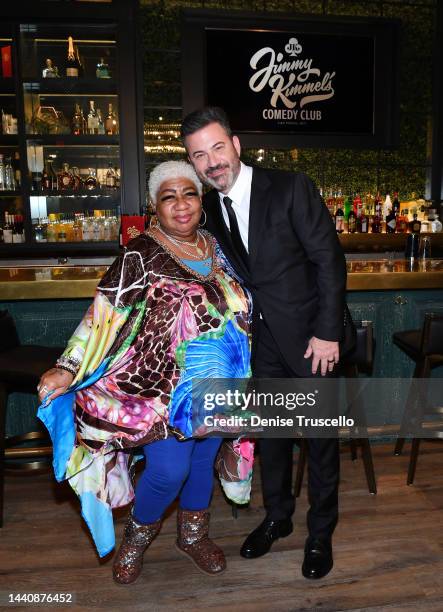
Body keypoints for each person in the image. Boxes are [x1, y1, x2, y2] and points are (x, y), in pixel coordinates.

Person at [37, 160, 254, 584]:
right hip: (157, 390)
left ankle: (193, 537)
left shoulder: (218, 246)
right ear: (156, 207)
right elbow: (104, 314)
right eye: (168, 197)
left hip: (216, 381)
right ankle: (136, 540)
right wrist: (68, 367)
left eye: (188, 193)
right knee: (170, 469)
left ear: (200, 199)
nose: (181, 205)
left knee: (202, 460)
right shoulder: (140, 253)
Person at [181, 107, 347, 580]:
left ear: (235, 145)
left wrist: (328, 332)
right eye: (199, 155)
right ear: (193, 164)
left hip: (311, 338)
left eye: (217, 148)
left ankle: (320, 532)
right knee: (272, 437)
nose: (212, 162)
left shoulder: (291, 186)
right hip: (260, 343)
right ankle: (278, 517)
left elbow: (329, 262)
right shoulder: (209, 208)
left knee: (319, 441)